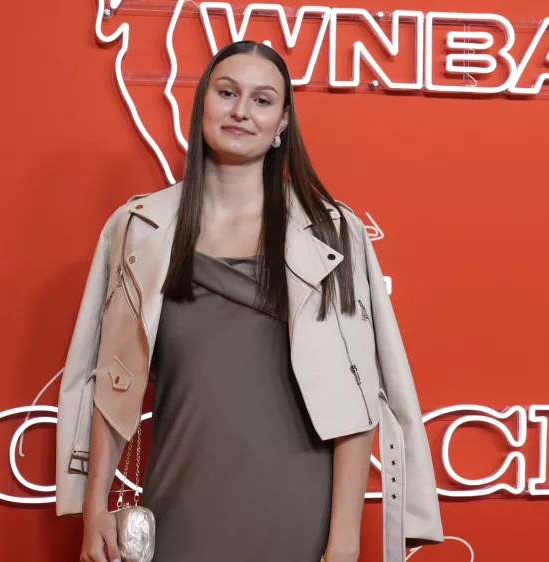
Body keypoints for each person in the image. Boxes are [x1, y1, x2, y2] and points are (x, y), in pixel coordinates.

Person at [55, 40, 443, 562]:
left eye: (262, 101)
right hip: (180, 501)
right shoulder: (138, 228)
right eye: (227, 93)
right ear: (203, 105)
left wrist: (344, 541)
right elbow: (111, 378)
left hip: (299, 509)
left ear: (283, 122)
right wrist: (93, 509)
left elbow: (356, 402)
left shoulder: (332, 234)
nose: (241, 111)